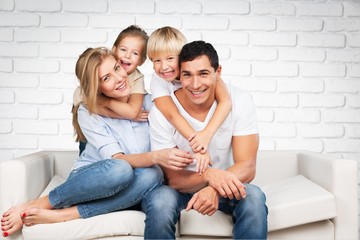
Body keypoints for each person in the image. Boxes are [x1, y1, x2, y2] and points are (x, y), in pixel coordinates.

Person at [1, 47, 194, 238]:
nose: (119, 78)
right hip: (95, 180)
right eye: (106, 78)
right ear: (97, 87)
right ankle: (40, 204)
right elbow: (119, 160)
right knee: (120, 169)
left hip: (136, 186)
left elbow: (188, 92)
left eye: (117, 68)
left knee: (153, 174)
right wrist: (156, 156)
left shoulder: (152, 103)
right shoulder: (89, 112)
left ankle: (66, 215)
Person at [142, 40, 268, 239]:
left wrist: (214, 189)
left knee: (253, 196)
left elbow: (247, 166)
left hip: (226, 185)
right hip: (182, 188)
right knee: (160, 200)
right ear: (178, 75)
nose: (195, 84)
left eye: (203, 74)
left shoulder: (240, 100)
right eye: (187, 75)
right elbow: (173, 179)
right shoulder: (162, 112)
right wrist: (209, 176)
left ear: (218, 73)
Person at [147, 26, 232, 174]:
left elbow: (226, 102)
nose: (164, 67)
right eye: (156, 60)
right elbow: (172, 115)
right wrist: (199, 146)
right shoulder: (158, 81)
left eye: (170, 59)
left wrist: (206, 135)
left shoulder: (202, 72)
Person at [74, 25, 149, 153]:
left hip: (119, 132)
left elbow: (132, 112)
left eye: (135, 53)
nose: (127, 56)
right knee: (89, 148)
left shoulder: (136, 78)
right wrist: (124, 115)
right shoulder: (94, 77)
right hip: (93, 128)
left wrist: (105, 102)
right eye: (123, 49)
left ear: (142, 61)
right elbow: (86, 106)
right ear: (114, 50)